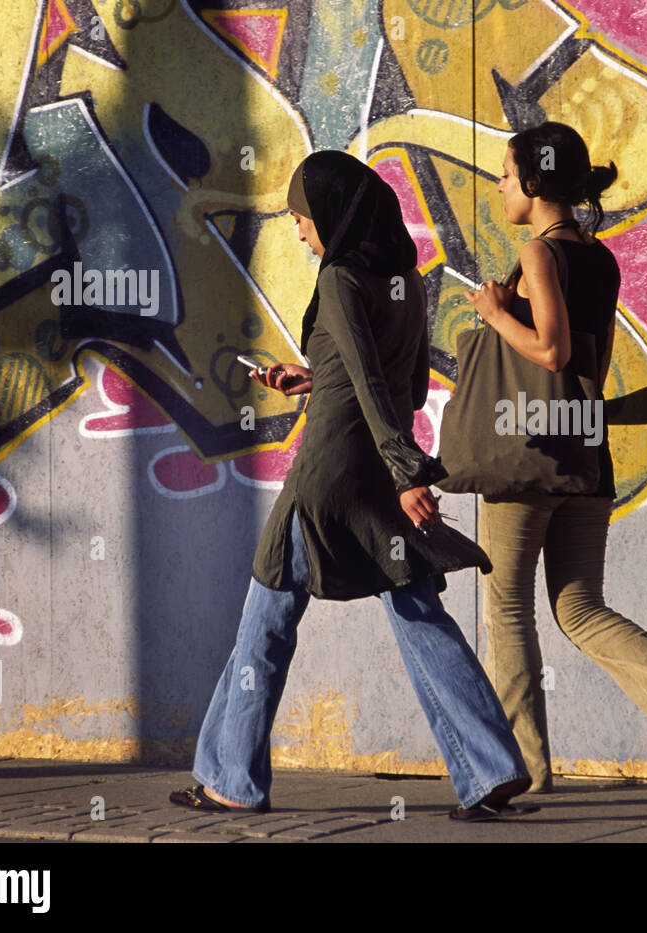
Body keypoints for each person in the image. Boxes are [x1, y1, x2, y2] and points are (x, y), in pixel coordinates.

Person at [171, 150, 531, 821]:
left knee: (265, 615)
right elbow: (404, 383)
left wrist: (403, 470)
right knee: (418, 612)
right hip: (377, 472)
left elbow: (366, 383)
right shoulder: (404, 279)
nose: (301, 233)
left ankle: (228, 777)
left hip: (331, 475)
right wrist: (313, 378)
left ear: (332, 215)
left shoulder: (339, 279)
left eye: (302, 219)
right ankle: (489, 767)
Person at [463, 122, 647, 794]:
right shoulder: (603, 261)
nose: (499, 184)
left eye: (505, 172)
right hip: (585, 456)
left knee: (508, 608)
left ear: (534, 182)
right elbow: (594, 366)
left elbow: (552, 352)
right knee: (579, 605)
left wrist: (497, 313)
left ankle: (521, 771)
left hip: (526, 450)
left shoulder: (537, 254)